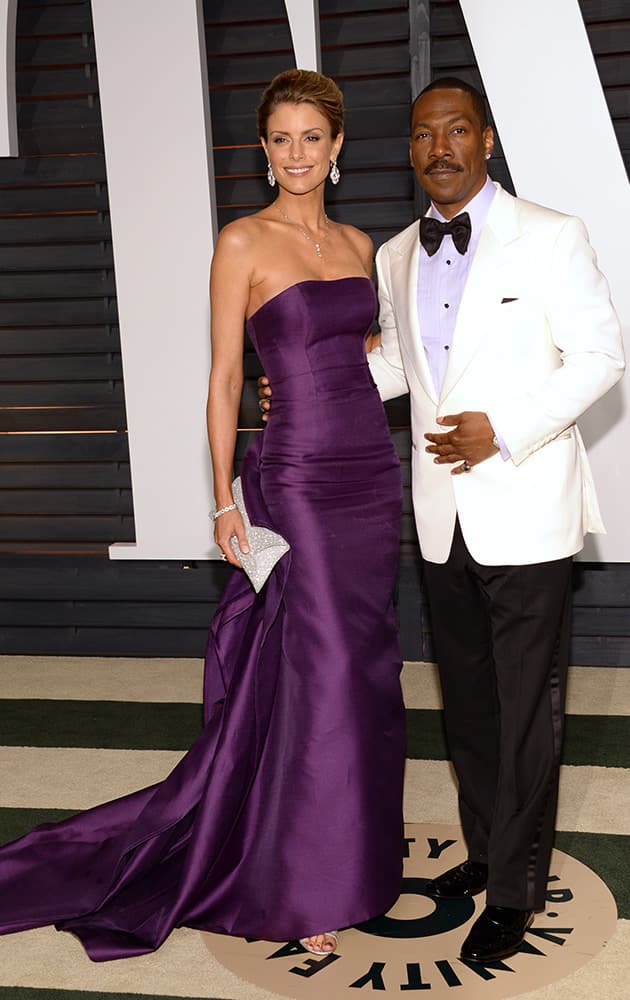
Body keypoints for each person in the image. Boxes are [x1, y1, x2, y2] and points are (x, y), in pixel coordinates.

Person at [0, 70, 406, 960]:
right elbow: (225, 379)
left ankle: (364, 856)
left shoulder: (358, 242)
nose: (297, 154)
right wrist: (224, 495)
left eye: (313, 138)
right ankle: (310, 881)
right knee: (328, 668)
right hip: (296, 475)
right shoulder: (242, 243)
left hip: (373, 473)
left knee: (368, 669)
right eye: (281, 139)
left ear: (338, 148)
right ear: (263, 150)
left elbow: (369, 353)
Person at [260, 75, 625, 964]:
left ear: (487, 141)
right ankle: (485, 849)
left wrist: (506, 428)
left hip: (527, 503)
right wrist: (311, 382)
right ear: (411, 152)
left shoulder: (550, 235)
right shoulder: (393, 255)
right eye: (424, 137)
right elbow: (398, 372)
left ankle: (518, 889)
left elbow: (601, 359)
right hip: (439, 514)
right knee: (466, 704)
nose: (440, 149)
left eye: (457, 131)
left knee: (524, 707)